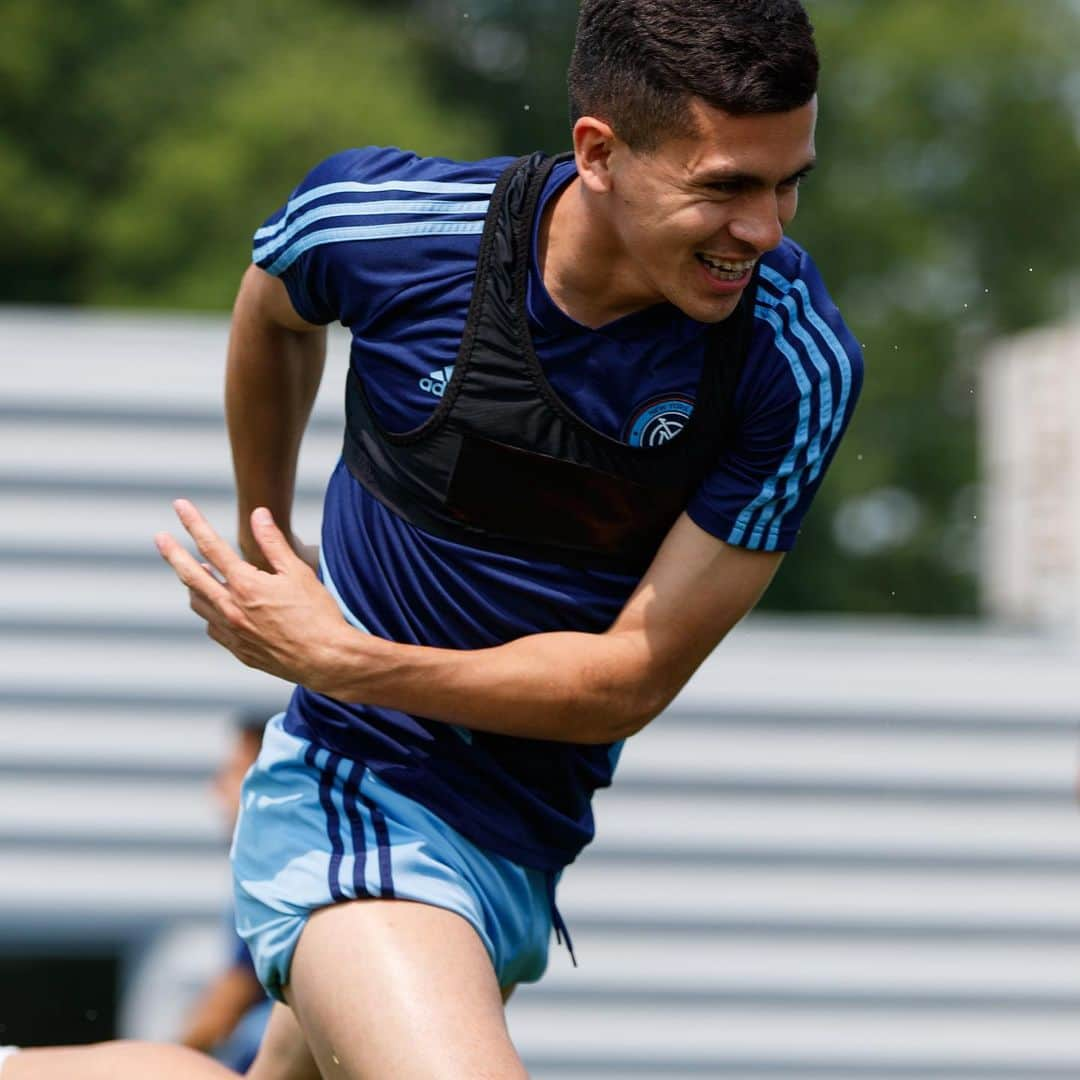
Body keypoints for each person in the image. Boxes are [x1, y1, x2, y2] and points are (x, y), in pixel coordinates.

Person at [1, 1, 862, 1076]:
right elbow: (274, 311)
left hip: (519, 840)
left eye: (790, 182)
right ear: (598, 152)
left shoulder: (794, 362)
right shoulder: (392, 223)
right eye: (724, 186)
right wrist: (269, 539)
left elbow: (625, 677)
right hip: (357, 785)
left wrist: (344, 655)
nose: (766, 229)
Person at [178, 712, 273, 1071]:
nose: (217, 788)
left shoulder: (272, 873)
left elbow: (232, 997)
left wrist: (164, 1057)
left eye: (231, 771)